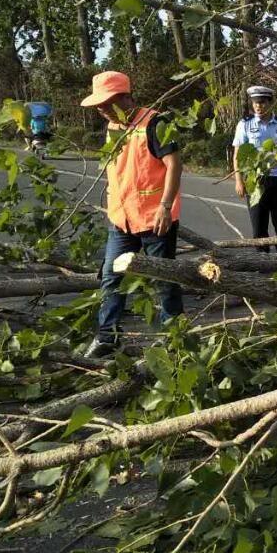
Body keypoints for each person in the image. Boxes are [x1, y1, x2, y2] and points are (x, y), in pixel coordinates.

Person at [81, 71, 184, 357]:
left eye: (106, 103)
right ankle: (107, 337)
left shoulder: (156, 122)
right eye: (98, 105)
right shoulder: (113, 126)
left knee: (165, 278)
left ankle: (173, 335)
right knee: (111, 277)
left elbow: (174, 164)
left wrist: (165, 205)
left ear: (125, 97)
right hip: (121, 219)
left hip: (155, 219)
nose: (101, 109)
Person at [232, 85, 277, 253]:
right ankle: (263, 262)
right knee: (259, 228)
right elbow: (237, 155)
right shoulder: (245, 124)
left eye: (262, 102)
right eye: (255, 103)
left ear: (270, 103)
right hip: (256, 181)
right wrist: (239, 181)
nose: (258, 106)